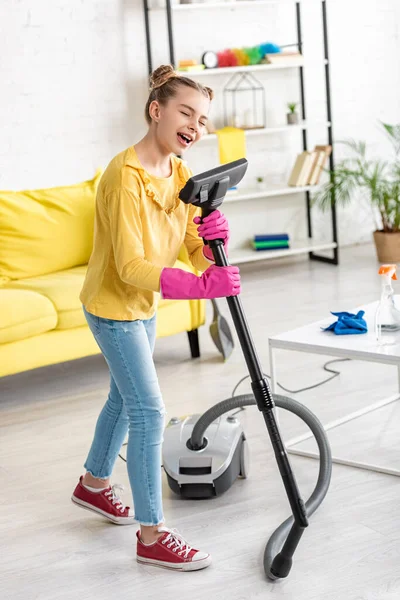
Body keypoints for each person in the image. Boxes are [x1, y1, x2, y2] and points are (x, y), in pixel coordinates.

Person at [71, 64, 241, 572]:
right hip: (112, 306)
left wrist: (213, 244)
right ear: (156, 110)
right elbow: (129, 266)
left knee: (123, 401)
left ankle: (94, 485)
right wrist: (197, 286)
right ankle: (152, 534)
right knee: (148, 411)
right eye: (186, 112)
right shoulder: (124, 178)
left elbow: (191, 245)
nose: (195, 125)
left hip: (141, 306)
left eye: (203, 119)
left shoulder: (181, 173)